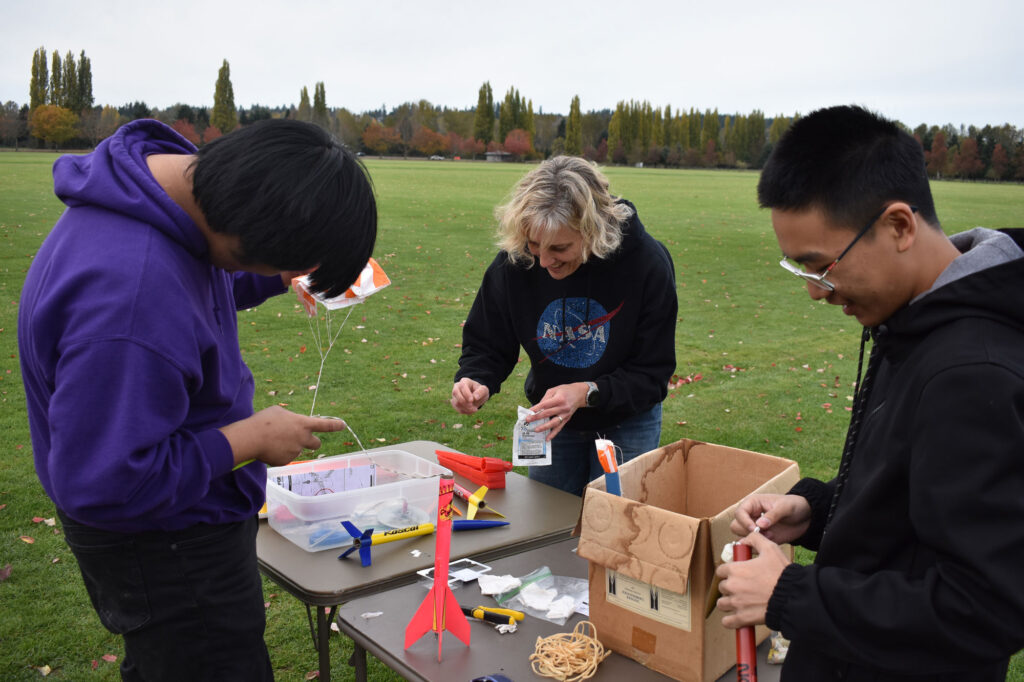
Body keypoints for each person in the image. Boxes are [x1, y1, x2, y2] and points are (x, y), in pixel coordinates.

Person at [18, 118, 378, 681]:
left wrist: (267, 277)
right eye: (279, 264)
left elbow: (202, 272)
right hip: (165, 547)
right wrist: (250, 439)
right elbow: (104, 483)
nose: (288, 276)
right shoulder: (129, 299)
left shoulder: (174, 196)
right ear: (243, 234)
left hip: (182, 525)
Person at [715, 105, 1024, 680]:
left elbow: (985, 609)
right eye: (798, 269)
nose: (813, 291)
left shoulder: (972, 372)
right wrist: (816, 510)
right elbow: (921, 495)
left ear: (900, 227)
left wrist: (789, 594)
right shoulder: (914, 319)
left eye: (821, 265)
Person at [450, 156, 677, 496]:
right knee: (548, 525)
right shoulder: (516, 261)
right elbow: (488, 340)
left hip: (628, 422)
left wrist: (586, 392)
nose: (542, 261)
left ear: (593, 232)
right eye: (534, 244)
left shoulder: (646, 264)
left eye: (559, 248)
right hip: (551, 425)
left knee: (617, 531)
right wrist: (476, 378)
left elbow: (651, 374)